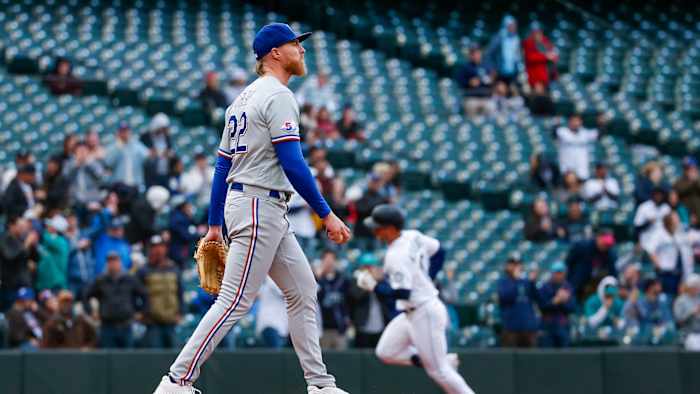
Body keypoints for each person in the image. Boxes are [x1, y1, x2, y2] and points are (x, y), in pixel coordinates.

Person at [152, 23, 352, 394]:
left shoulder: (241, 100)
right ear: (275, 52)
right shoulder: (277, 95)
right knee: (234, 301)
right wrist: (326, 212)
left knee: (303, 291)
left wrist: (214, 224)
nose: (302, 50)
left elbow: (222, 166)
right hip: (260, 203)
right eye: (296, 44)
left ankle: (321, 385)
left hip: (255, 205)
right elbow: (292, 162)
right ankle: (176, 382)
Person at [359, 205, 474, 394]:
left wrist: (374, 286)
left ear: (390, 228)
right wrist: (427, 276)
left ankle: (443, 365)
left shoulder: (395, 255)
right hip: (413, 311)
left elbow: (402, 293)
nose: (375, 231)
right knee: (386, 352)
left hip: (423, 311)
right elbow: (440, 251)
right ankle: (439, 359)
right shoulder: (413, 236)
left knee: (439, 372)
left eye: (378, 227)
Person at [85, 252, 147, 349]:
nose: (113, 264)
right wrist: (91, 311)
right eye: (110, 262)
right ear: (107, 264)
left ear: (120, 263)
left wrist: (140, 312)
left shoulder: (129, 279)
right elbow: (86, 295)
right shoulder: (101, 280)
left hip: (126, 325)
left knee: (127, 358)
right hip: (107, 327)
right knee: (107, 360)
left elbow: (144, 295)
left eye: (115, 261)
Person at [137, 235, 183, 348]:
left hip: (171, 321)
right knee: (155, 357)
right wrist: (139, 312)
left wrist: (181, 311)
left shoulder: (173, 268)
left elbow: (180, 292)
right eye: (154, 247)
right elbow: (134, 293)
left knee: (174, 356)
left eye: (160, 246)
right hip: (152, 322)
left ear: (165, 249)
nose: (158, 250)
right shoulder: (143, 270)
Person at [642, 212, 694, 298]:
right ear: (669, 221)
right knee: (665, 298)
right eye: (675, 219)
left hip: (678, 273)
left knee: (676, 298)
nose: (678, 221)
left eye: (677, 218)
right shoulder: (660, 233)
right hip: (665, 273)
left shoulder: (679, 233)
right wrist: (658, 265)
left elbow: (686, 250)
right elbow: (650, 249)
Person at [347, 253, 392, 349]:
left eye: (371, 267)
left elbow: (388, 295)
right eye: (366, 267)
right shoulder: (355, 280)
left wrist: (375, 283)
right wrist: (369, 283)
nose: (369, 270)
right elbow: (356, 296)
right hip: (362, 327)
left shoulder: (380, 282)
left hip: (380, 326)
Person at [497, 253, 539, 347]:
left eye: (518, 264)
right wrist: (516, 281)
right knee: (509, 358)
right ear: (507, 265)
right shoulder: (503, 282)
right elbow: (505, 297)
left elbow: (537, 298)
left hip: (528, 328)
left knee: (530, 359)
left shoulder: (526, 282)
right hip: (511, 328)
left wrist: (532, 283)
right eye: (513, 264)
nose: (516, 266)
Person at [566, 229, 617, 302]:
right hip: (576, 284)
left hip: (594, 286)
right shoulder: (582, 246)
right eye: (605, 243)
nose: (606, 246)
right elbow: (569, 261)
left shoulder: (609, 254)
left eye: (608, 245)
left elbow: (613, 273)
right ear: (598, 238)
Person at [0, 217, 38, 311]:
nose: (23, 229)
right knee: (10, 313)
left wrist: (33, 246)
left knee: (25, 314)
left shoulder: (21, 239)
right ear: (11, 225)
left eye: (24, 227)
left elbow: (35, 258)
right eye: (20, 226)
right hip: (9, 285)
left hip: (23, 284)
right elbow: (10, 256)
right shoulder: (4, 238)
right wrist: (26, 244)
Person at [316, 250, 350, 350]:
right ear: (322, 261)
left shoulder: (343, 280)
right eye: (327, 260)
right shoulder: (316, 279)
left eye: (332, 260)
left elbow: (349, 301)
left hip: (339, 329)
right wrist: (317, 277)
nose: (330, 263)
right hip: (322, 329)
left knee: (342, 360)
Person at [623, 278, 675, 343]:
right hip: (640, 339)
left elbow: (669, 323)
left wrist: (662, 328)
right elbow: (627, 317)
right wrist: (631, 301)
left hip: (659, 340)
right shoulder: (639, 303)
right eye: (657, 285)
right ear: (651, 287)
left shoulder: (662, 304)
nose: (660, 287)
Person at [537, 262, 576, 347]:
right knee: (547, 354)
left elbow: (572, 308)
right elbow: (542, 307)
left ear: (564, 273)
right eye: (556, 272)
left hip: (563, 325)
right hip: (547, 325)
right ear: (552, 273)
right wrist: (555, 301)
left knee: (564, 354)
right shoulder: (545, 287)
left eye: (560, 272)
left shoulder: (568, 287)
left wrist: (563, 301)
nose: (558, 275)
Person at [104, 123, 150, 189]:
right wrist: (118, 147)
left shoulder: (137, 145)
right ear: (118, 132)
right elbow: (108, 163)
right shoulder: (113, 146)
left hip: (135, 184)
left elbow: (147, 157)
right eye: (122, 131)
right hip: (118, 184)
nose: (124, 133)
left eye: (126, 131)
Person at [456, 45, 496, 118]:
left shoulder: (488, 66)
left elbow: (494, 79)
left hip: (486, 97)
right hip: (471, 97)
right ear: (470, 55)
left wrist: (493, 79)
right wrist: (469, 82)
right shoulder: (465, 67)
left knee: (491, 107)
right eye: (473, 54)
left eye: (477, 53)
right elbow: (459, 81)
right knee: (471, 107)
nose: (475, 55)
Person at [63, 141, 106, 209]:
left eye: (84, 151)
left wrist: (89, 163)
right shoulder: (70, 163)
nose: (82, 153)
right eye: (79, 151)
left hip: (92, 199)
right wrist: (76, 164)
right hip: (75, 200)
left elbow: (100, 175)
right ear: (75, 152)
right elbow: (65, 177)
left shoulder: (93, 162)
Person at [556, 114, 599, 181]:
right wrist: (557, 124)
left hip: (582, 167)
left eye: (578, 121)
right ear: (569, 122)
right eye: (574, 121)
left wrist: (600, 123)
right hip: (567, 166)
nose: (576, 123)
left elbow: (598, 134)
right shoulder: (562, 131)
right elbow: (554, 133)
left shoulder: (585, 133)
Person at [353, 173, 390, 245]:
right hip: (362, 232)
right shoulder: (361, 194)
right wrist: (376, 206)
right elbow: (361, 210)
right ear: (369, 182)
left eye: (377, 182)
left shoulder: (382, 197)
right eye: (373, 182)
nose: (375, 184)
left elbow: (384, 214)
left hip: (376, 233)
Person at [36, 215, 71, 292]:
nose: (47, 227)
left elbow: (43, 236)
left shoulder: (60, 242)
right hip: (46, 284)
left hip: (55, 284)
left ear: (55, 228)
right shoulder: (53, 241)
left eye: (50, 225)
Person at [486, 15, 522, 85]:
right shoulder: (499, 38)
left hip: (513, 73)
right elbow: (488, 54)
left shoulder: (517, 38)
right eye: (511, 25)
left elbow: (518, 56)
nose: (514, 27)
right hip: (500, 73)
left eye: (514, 25)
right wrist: (492, 69)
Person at [254, 277, 289, 348]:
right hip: (270, 325)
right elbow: (285, 292)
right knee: (277, 357)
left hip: (281, 329)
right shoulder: (272, 278)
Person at [142, 113, 174, 188]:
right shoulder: (146, 137)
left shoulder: (166, 138)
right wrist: (159, 153)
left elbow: (170, 152)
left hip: (165, 173)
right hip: (151, 174)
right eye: (161, 128)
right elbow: (147, 154)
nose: (162, 131)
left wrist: (166, 154)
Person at [522, 22, 558, 89]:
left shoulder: (545, 41)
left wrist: (552, 56)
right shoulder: (528, 43)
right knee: (539, 95)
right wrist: (545, 56)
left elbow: (554, 55)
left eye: (539, 32)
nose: (538, 35)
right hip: (535, 76)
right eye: (536, 33)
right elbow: (529, 57)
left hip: (548, 75)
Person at [634, 185, 671, 250]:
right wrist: (648, 223)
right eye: (657, 194)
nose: (659, 196)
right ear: (653, 195)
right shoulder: (644, 207)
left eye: (661, 194)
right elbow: (637, 227)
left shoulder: (666, 208)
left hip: (664, 240)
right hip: (647, 239)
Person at [167, 196, 199, 269]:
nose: (189, 207)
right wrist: (198, 234)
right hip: (178, 251)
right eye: (186, 205)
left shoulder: (181, 216)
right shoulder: (178, 219)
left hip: (180, 249)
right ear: (181, 207)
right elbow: (186, 236)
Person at [674, 273, 700, 350]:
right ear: (689, 287)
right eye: (695, 286)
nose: (697, 288)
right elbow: (679, 321)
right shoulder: (680, 300)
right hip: (688, 335)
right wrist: (693, 312)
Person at [674, 156, 700, 223]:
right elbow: (679, 191)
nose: (688, 170)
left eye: (690, 167)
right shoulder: (679, 182)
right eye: (686, 168)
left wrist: (696, 180)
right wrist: (691, 182)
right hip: (687, 217)